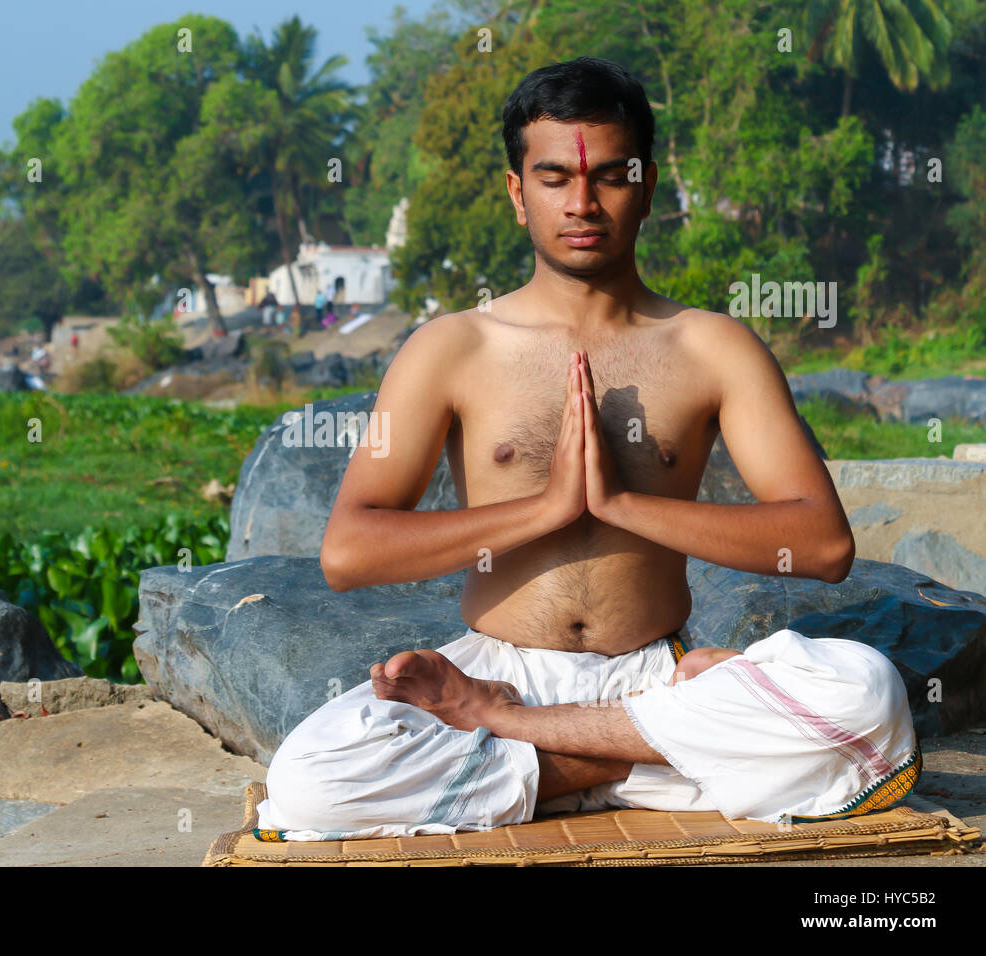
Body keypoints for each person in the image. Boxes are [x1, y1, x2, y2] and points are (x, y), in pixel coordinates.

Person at [254, 57, 920, 842]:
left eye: (610, 176)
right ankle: (648, 757)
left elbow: (823, 544)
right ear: (516, 192)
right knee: (309, 780)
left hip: (651, 671)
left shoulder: (713, 347)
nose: (581, 202)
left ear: (647, 187)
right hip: (501, 669)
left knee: (868, 694)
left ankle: (533, 748)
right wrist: (544, 509)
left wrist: (623, 505)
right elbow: (348, 552)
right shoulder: (450, 348)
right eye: (552, 179)